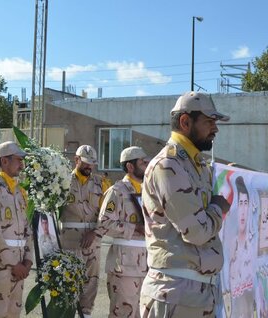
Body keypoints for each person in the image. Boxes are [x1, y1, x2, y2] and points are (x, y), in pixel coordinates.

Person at [140, 91, 231, 317]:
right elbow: (197, 233)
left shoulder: (195, 165)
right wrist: (219, 208)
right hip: (175, 295)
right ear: (185, 122)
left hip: (195, 294)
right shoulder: (168, 165)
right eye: (209, 121)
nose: (215, 129)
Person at [0, 141, 33, 318]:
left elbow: (28, 228)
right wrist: (13, 264)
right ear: (4, 161)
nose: (22, 164)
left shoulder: (18, 191)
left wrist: (28, 260)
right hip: (2, 263)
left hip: (19, 261)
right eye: (18, 160)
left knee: (13, 312)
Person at [95, 146, 149, 318]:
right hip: (124, 266)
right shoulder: (117, 192)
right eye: (143, 162)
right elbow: (104, 223)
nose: (147, 165)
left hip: (148, 264)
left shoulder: (149, 191)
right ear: (130, 167)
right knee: (124, 312)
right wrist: (135, 228)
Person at [59, 145, 110, 317]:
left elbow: (107, 214)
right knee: (68, 281)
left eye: (92, 164)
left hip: (92, 242)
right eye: (86, 163)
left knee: (91, 282)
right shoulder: (63, 181)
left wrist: (95, 232)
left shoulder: (101, 183)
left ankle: (86, 314)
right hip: (70, 241)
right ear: (77, 160)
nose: (90, 167)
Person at [229, 176, 255, 318]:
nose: (243, 210)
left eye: (246, 203)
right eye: (240, 203)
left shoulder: (252, 243)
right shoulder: (231, 244)